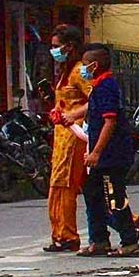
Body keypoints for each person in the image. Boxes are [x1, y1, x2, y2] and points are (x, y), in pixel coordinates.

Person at [75, 45, 139, 257]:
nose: (83, 69)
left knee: (114, 197)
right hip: (101, 155)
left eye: (85, 65)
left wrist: (96, 152)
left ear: (95, 65)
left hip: (112, 155)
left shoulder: (107, 87)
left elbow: (109, 121)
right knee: (92, 194)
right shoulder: (98, 85)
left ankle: (130, 242)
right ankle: (99, 240)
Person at [43, 24, 89, 253]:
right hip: (61, 138)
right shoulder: (65, 72)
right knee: (58, 186)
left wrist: (73, 115)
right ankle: (60, 234)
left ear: (69, 47)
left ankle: (68, 235)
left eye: (56, 47)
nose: (53, 51)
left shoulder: (81, 71)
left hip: (75, 137)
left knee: (68, 186)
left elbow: (97, 98)